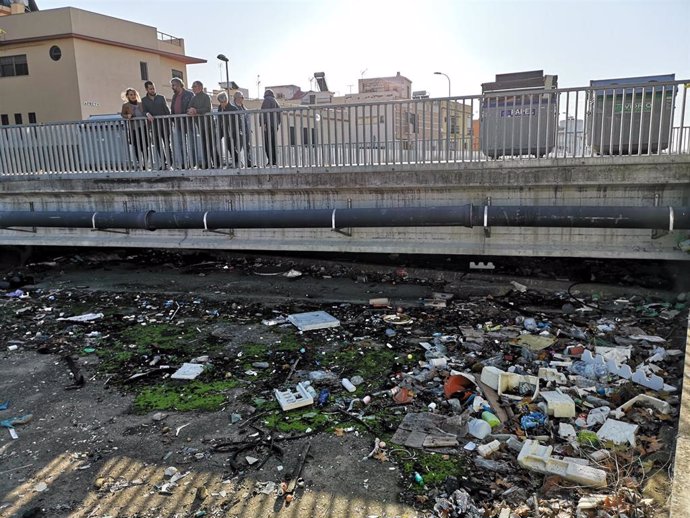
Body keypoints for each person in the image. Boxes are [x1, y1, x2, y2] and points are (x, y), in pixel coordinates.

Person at [142, 81, 172, 170]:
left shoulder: (161, 98)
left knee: (167, 144)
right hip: (154, 127)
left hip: (164, 125)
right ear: (146, 89)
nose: (152, 90)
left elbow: (167, 111)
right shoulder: (144, 100)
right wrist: (147, 114)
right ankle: (163, 163)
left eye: (153, 88)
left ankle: (170, 163)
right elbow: (143, 111)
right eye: (150, 89)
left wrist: (169, 120)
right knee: (158, 145)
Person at [120, 87, 149, 169]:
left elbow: (146, 111)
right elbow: (122, 115)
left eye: (134, 94)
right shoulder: (125, 105)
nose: (133, 96)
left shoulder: (141, 103)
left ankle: (146, 164)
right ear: (128, 96)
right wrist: (127, 116)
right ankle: (140, 163)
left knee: (145, 146)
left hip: (143, 127)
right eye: (131, 95)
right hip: (133, 128)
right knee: (136, 146)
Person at [187, 80, 214, 168]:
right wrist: (190, 111)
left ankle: (216, 162)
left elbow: (207, 109)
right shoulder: (193, 98)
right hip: (200, 126)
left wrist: (196, 111)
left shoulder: (206, 97)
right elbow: (189, 108)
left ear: (200, 87)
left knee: (211, 145)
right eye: (193, 87)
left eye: (195, 86)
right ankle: (206, 163)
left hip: (209, 125)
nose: (193, 89)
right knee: (204, 145)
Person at [169, 77, 194, 168]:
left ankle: (192, 163)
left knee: (191, 143)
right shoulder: (174, 96)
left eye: (173, 85)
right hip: (178, 123)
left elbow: (191, 106)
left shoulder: (189, 94)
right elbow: (172, 108)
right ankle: (184, 163)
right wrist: (172, 119)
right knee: (180, 144)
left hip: (188, 123)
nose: (172, 87)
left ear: (179, 85)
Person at [215, 91, 239, 167]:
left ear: (227, 100)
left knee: (230, 146)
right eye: (221, 102)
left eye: (224, 101)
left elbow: (238, 120)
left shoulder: (233, 108)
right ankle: (218, 162)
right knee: (215, 143)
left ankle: (237, 162)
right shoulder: (219, 108)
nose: (223, 103)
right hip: (222, 129)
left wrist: (236, 130)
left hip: (231, 130)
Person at [232, 91, 253, 167]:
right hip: (238, 131)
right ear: (236, 98)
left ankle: (249, 163)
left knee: (247, 147)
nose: (243, 98)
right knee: (237, 147)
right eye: (241, 97)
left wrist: (249, 129)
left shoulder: (243, 107)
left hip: (246, 130)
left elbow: (246, 119)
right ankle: (238, 163)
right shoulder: (233, 108)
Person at [260, 89, 281, 166]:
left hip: (268, 125)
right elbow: (279, 115)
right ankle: (274, 161)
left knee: (268, 143)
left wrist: (264, 123)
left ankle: (271, 161)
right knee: (273, 143)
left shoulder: (267, 100)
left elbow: (265, 112)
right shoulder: (276, 101)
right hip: (274, 125)